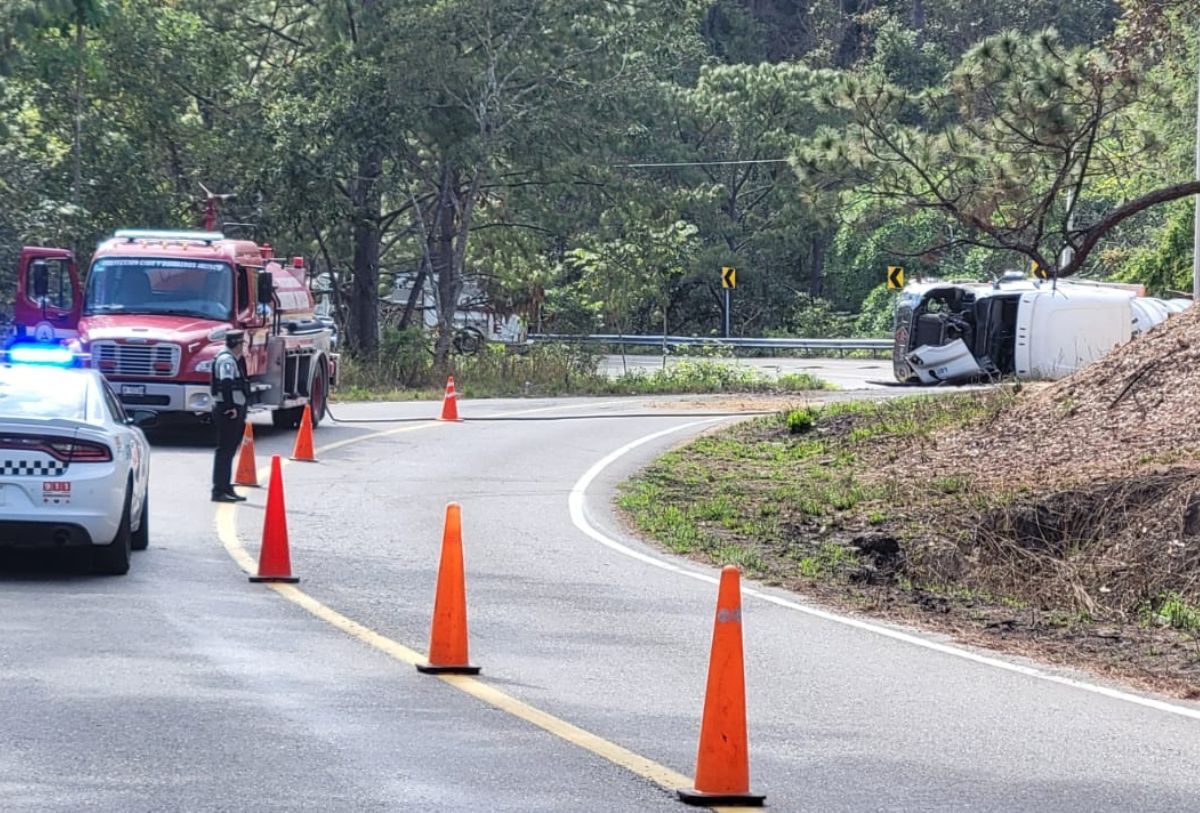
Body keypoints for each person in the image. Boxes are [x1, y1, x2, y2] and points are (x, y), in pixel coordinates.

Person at [211, 330, 250, 503]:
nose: (243, 348)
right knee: (225, 452)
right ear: (238, 344)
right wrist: (230, 407)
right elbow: (226, 383)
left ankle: (226, 487)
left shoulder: (229, 358)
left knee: (228, 451)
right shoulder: (227, 360)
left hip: (232, 408)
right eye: (242, 344)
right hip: (228, 410)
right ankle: (219, 490)